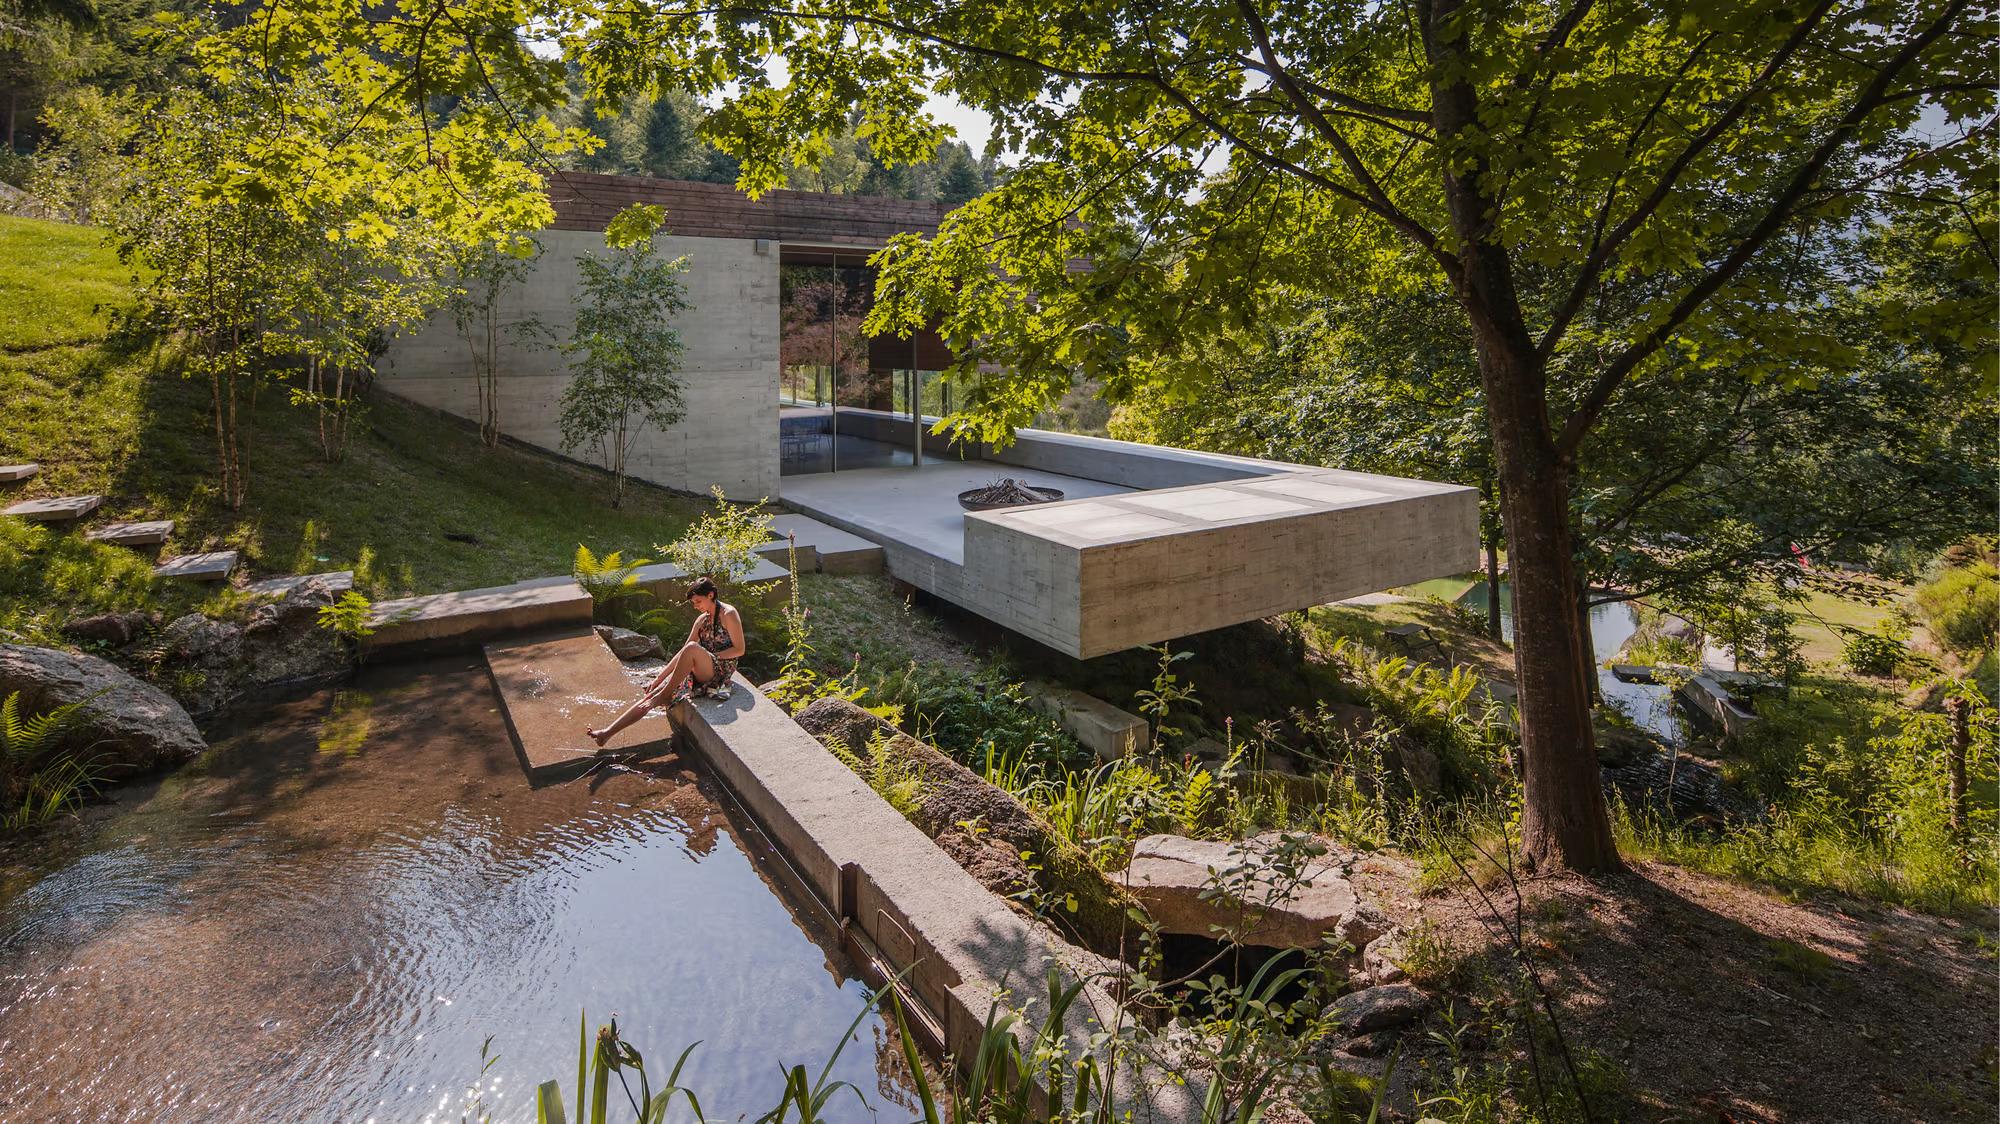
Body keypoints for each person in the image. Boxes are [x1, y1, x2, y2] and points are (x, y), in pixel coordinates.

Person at [587, 577, 745, 747]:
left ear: (711, 595)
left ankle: (663, 696)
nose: (696, 606)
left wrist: (710, 655)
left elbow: (739, 649)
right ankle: (606, 733)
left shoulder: (729, 614)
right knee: (650, 696)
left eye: (698, 601)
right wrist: (658, 679)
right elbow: (683, 653)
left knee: (691, 649)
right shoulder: (701, 620)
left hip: (721, 670)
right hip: (702, 667)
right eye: (693, 603)